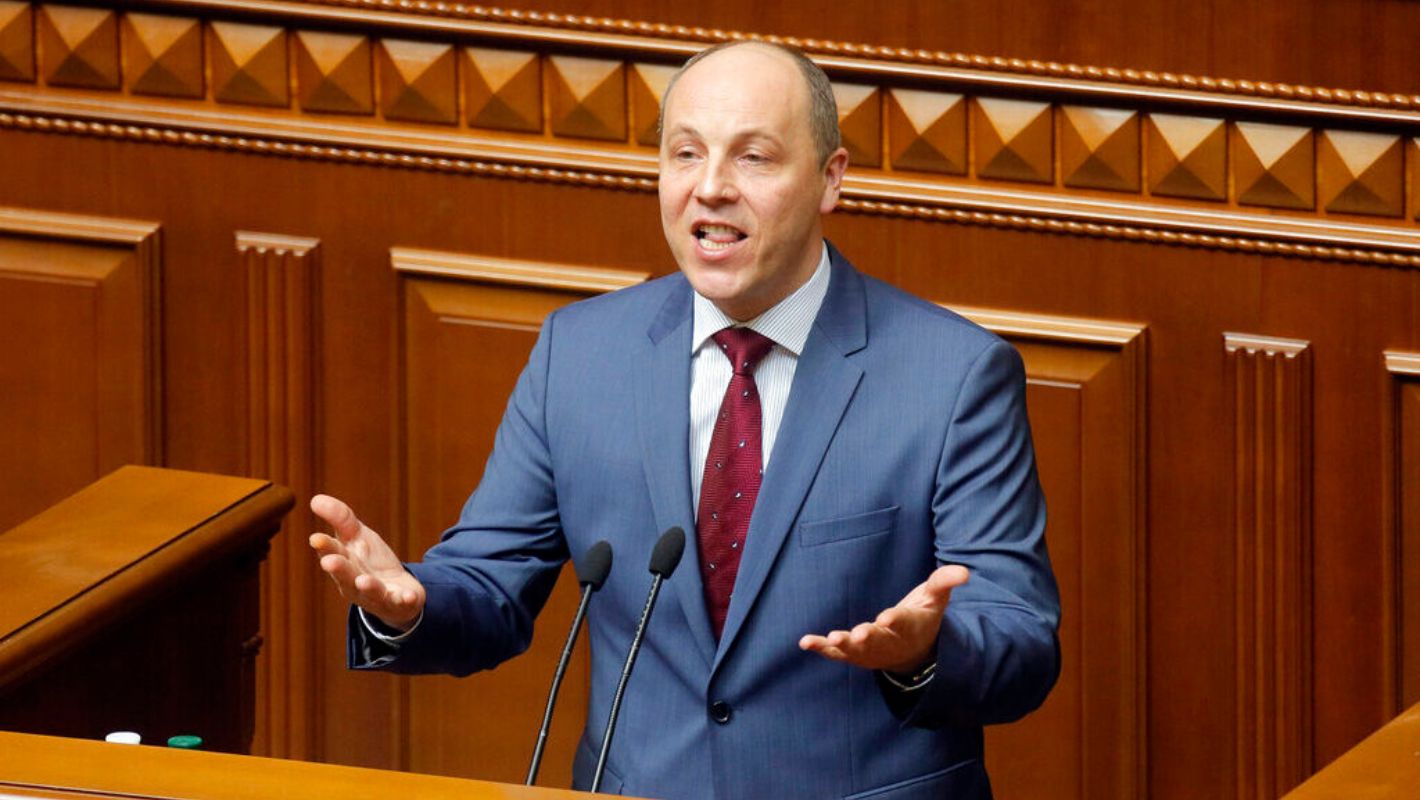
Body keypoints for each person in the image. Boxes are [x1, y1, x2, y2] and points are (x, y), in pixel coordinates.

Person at [310, 41, 1059, 799]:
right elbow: (490, 585)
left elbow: (1021, 637)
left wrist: (925, 652)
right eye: (686, 154)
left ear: (831, 178)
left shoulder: (953, 375)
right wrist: (410, 606)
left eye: (754, 158)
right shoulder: (580, 353)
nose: (711, 188)